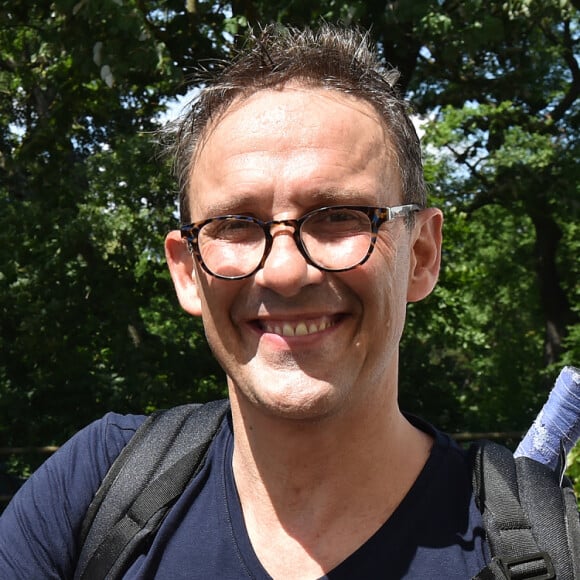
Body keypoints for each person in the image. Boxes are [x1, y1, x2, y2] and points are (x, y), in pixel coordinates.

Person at [0, 23, 493, 578]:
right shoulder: (87, 492)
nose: (285, 272)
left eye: (338, 217)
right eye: (235, 225)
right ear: (186, 271)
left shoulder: (536, 547)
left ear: (422, 254)